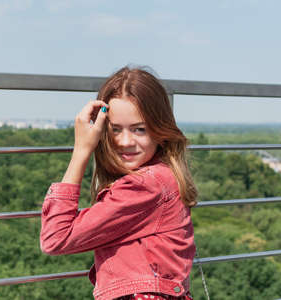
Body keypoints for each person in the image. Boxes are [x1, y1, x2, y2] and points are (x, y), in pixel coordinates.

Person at [39, 66, 197, 300]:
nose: (125, 142)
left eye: (140, 129)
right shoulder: (164, 175)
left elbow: (56, 238)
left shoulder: (145, 186)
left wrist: (82, 150)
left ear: (160, 130)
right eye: (115, 130)